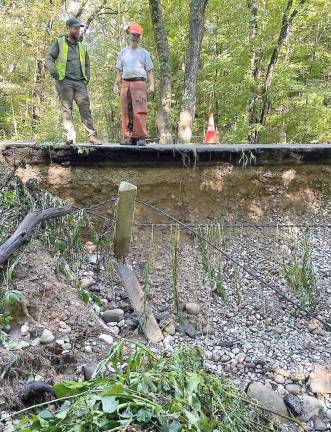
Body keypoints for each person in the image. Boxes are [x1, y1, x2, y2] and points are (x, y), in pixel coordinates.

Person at [45, 18, 100, 145]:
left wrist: (88, 77)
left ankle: (92, 136)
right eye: (75, 28)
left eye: (79, 28)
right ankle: (70, 136)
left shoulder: (82, 46)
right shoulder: (59, 43)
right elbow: (49, 58)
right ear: (68, 29)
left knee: (85, 108)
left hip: (80, 82)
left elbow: (87, 64)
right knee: (67, 109)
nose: (78, 31)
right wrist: (54, 72)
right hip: (64, 81)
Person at [113, 22, 155, 146]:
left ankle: (140, 137)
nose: (135, 37)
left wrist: (151, 84)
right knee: (126, 110)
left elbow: (149, 71)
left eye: (138, 34)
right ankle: (129, 137)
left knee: (140, 110)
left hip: (139, 83)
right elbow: (119, 71)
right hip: (126, 83)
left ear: (140, 36)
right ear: (129, 35)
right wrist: (116, 84)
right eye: (133, 34)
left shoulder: (144, 53)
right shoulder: (123, 52)